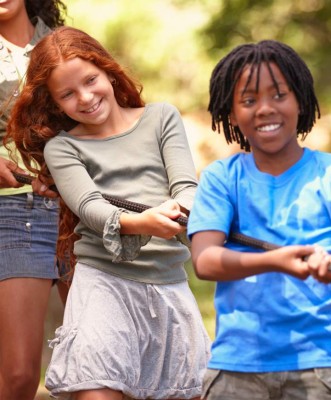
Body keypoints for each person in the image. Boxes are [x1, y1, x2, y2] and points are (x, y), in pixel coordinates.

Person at [7, 26, 210, 400]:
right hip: (104, 283)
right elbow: (90, 207)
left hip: (168, 285)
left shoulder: (162, 118)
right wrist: (141, 222)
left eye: (91, 80)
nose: (85, 98)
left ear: (109, 72)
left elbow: (185, 185)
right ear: (54, 103)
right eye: (67, 94)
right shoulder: (63, 147)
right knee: (97, 391)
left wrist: (185, 208)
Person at [187, 39, 331, 400]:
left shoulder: (326, 174)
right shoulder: (222, 178)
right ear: (231, 113)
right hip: (238, 366)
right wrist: (275, 262)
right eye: (249, 101)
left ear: (300, 100)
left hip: (320, 364)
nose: (265, 109)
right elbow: (205, 260)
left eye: (279, 95)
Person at [0, 1, 68, 400]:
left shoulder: (60, 44)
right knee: (21, 376)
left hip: (78, 210)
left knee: (97, 360)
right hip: (14, 210)